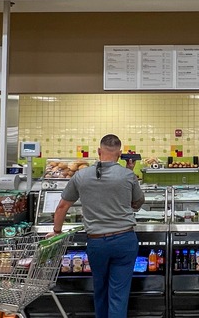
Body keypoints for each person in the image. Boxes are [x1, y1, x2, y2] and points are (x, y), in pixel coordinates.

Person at [48, 134, 144, 318]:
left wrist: (56, 231)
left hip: (97, 243)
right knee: (119, 294)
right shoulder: (127, 175)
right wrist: (130, 171)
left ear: (99, 151)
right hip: (124, 240)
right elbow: (137, 203)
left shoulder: (81, 175)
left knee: (100, 289)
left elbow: (62, 207)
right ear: (120, 154)